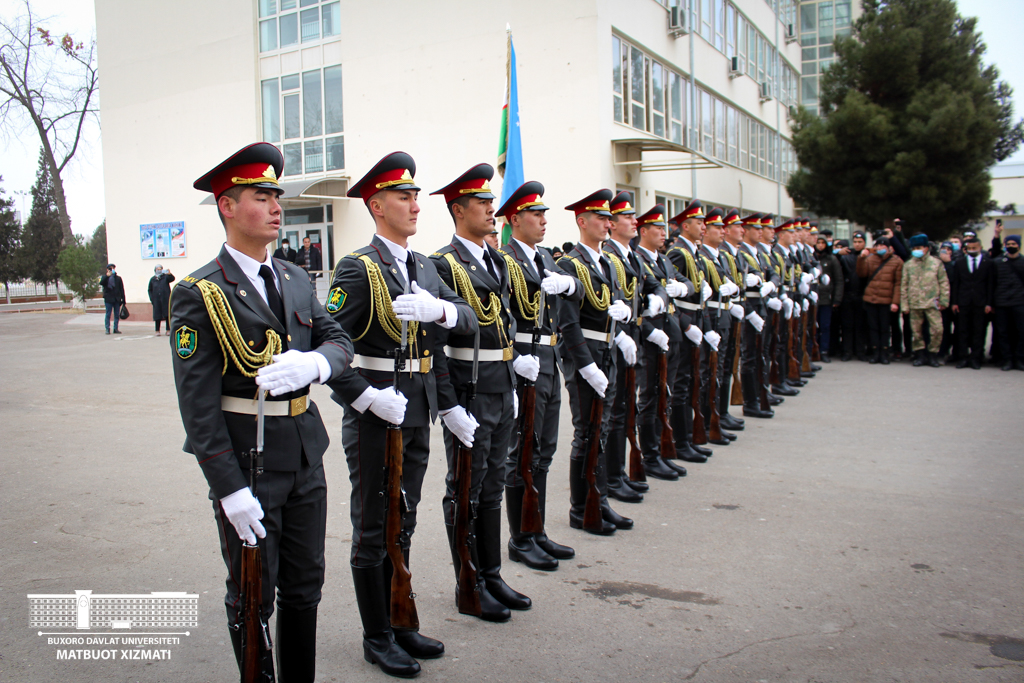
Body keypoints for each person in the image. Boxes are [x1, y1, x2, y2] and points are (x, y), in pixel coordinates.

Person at [170, 142, 354, 682]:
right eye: (261, 196)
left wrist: (315, 364)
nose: (276, 207)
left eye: (277, 196)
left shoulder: (294, 277)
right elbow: (197, 407)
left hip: (304, 455)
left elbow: (338, 340)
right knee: (253, 590)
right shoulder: (200, 291)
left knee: (305, 585)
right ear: (227, 206)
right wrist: (228, 489)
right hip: (249, 464)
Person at [325, 152, 476, 676]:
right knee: (374, 523)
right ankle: (377, 635)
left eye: (415, 197)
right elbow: (332, 349)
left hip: (417, 412)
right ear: (376, 205)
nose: (415, 205)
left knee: (403, 518)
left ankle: (400, 618)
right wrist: (365, 396)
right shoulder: (358, 268)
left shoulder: (426, 267)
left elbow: (468, 321)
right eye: (403, 197)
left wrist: (442, 309)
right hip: (376, 416)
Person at [430, 163, 532, 620]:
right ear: (458, 210)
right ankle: (467, 582)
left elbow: (504, 325)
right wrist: (448, 405)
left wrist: (512, 379)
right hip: (468, 389)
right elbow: (434, 346)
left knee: (492, 484)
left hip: (500, 384)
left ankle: (491, 574)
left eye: (491, 202)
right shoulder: (442, 264)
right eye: (482, 203)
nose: (492, 210)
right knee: (466, 487)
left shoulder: (498, 260)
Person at [497, 180, 582, 570]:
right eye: (535, 214)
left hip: (549, 359)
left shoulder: (545, 258)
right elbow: (497, 317)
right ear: (515, 219)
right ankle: (520, 538)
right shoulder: (504, 260)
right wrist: (514, 357)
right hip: (523, 362)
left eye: (544, 214)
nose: (544, 220)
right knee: (522, 453)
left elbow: (577, 293)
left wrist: (569, 283)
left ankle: (537, 529)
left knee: (544, 450)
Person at [557, 189, 635, 534]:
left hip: (608, 351)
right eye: (601, 218)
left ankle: (599, 501)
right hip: (586, 356)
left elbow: (614, 305)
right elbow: (568, 323)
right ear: (582, 222)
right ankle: (581, 508)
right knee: (586, 431)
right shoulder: (569, 264)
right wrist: (586, 366)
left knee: (601, 430)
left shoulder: (609, 263)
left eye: (608, 218)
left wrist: (625, 318)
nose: (607, 223)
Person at [602, 191, 668, 500]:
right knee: (615, 413)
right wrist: (619, 333)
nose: (634, 221)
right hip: (615, 342)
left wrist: (658, 299)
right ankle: (612, 478)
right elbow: (603, 303)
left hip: (634, 339)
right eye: (627, 217)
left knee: (626, 409)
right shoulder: (608, 256)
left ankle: (618, 474)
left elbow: (655, 285)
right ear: (612, 224)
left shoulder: (633, 257)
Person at [634, 205, 699, 475]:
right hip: (651, 339)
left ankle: (662, 450)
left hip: (670, 335)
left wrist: (682, 287)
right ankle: (649, 457)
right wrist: (650, 330)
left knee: (666, 395)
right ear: (643, 231)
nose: (664, 233)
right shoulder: (638, 259)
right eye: (658, 228)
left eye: (664, 228)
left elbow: (690, 285)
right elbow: (636, 304)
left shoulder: (664, 260)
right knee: (650, 397)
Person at [667, 200, 717, 463]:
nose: (703, 227)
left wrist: (705, 326)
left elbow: (698, 298)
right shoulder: (678, 253)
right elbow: (672, 296)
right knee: (682, 384)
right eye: (699, 223)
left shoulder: (694, 253)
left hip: (696, 320)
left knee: (691, 381)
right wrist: (687, 324)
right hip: (685, 324)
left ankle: (687, 439)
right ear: (685, 226)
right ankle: (680, 441)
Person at [900, 233, 948, 367]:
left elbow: (943, 282)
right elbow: (904, 285)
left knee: (937, 330)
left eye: (919, 248)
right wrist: (904, 305)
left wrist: (944, 301)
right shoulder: (908, 265)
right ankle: (920, 355)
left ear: (926, 248)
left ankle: (932, 354)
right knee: (916, 332)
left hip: (932, 302)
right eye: (914, 248)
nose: (916, 250)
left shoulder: (936, 263)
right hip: (914, 302)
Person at [950, 235, 995, 369]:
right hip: (963, 302)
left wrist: (989, 303)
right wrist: (954, 302)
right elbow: (956, 284)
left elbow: (990, 285)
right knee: (962, 331)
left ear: (980, 248)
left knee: (978, 331)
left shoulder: (988, 263)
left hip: (980, 303)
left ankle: (976, 358)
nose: (972, 250)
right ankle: (963, 358)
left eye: (974, 248)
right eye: (969, 248)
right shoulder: (960, 263)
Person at [857, 237, 903, 364]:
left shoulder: (896, 261)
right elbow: (861, 273)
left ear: (888, 248)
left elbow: (898, 283)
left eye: (883, 246)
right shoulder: (870, 259)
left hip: (886, 300)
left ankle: (884, 353)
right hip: (871, 298)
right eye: (877, 246)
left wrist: (895, 302)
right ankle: (875, 352)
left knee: (885, 328)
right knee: (873, 327)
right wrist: (861, 258)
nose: (880, 248)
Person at [991, 234, 1024, 370]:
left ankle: (1019, 359)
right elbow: (992, 284)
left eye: (1013, 244)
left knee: (1021, 332)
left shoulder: (1023, 262)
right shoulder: (997, 262)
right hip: (1001, 303)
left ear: (1019, 245)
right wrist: (991, 302)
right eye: (1008, 244)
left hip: (1019, 302)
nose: (1010, 246)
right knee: (1002, 333)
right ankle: (1007, 359)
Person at [814, 233, 843, 362]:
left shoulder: (831, 259)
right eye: (818, 243)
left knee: (825, 326)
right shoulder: (811, 257)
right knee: (812, 326)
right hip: (813, 297)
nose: (820, 245)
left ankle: (824, 350)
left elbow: (838, 279)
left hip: (826, 298)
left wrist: (837, 298)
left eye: (823, 243)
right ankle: (813, 350)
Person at [937, 242, 958, 360]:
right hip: (938, 301)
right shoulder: (935, 263)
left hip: (952, 301)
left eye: (948, 249)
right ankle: (941, 351)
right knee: (941, 328)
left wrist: (948, 263)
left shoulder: (955, 264)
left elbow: (953, 279)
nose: (945, 251)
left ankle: (953, 352)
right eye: (943, 249)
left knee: (953, 328)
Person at [148, 264, 176, 335]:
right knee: (157, 316)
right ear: (155, 270)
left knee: (167, 315)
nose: (159, 270)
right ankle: (157, 330)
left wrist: (169, 274)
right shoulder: (153, 279)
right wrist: (152, 299)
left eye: (160, 269)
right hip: (156, 300)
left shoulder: (165, 277)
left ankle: (168, 330)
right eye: (157, 269)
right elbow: (150, 290)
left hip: (165, 299)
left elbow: (172, 279)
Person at [100, 264, 126, 335]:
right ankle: (107, 329)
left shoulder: (118, 278)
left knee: (116, 314)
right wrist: (107, 276)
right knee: (108, 314)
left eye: (113, 268)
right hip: (108, 299)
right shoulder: (105, 277)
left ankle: (115, 328)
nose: (112, 270)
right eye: (110, 268)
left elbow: (121, 289)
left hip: (116, 299)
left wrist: (123, 299)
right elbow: (101, 283)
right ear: (107, 269)